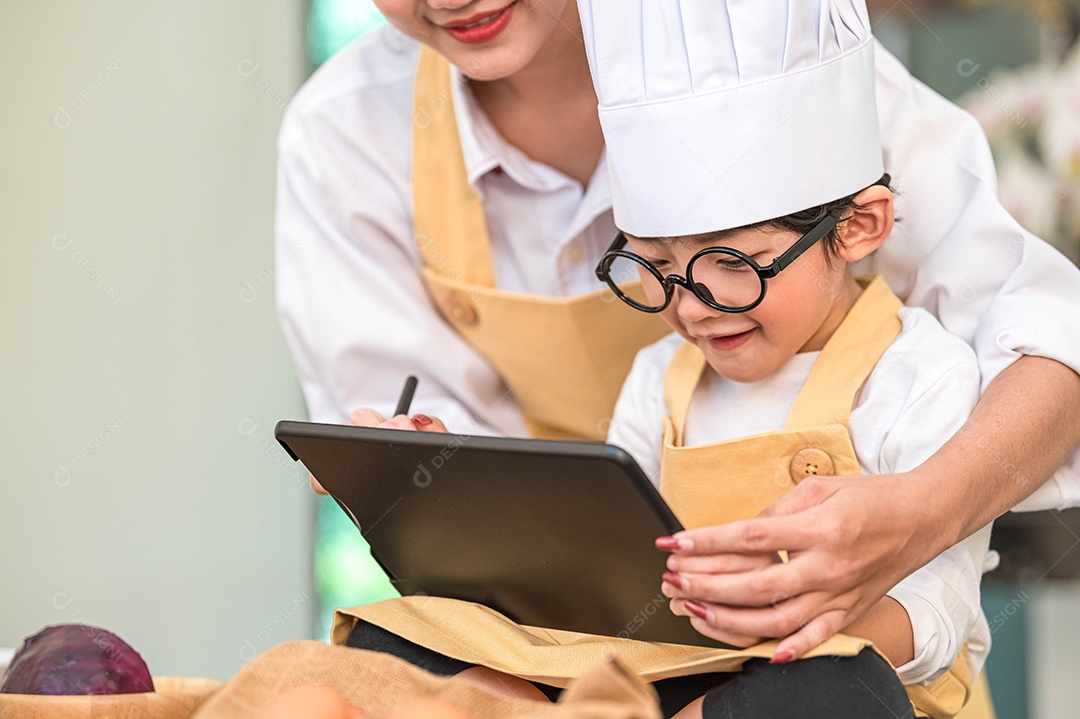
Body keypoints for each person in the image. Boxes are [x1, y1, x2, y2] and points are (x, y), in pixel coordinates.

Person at [275, 0, 1080, 688]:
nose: (695, 309)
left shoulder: (771, 42)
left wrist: (916, 515)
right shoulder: (348, 132)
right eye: (655, 268)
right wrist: (429, 477)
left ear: (861, 226)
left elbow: (1050, 342)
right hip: (599, 640)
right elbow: (445, 469)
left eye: (733, 261)